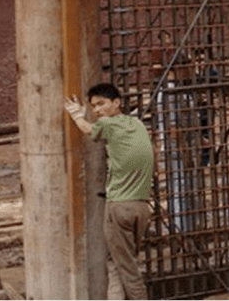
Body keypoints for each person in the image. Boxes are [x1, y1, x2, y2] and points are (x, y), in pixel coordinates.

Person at [65, 83, 154, 301]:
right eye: (93, 106)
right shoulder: (136, 124)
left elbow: (88, 129)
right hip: (142, 207)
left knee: (128, 269)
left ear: (117, 103)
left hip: (119, 207)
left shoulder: (108, 124)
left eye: (101, 104)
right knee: (117, 261)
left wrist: (76, 114)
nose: (97, 110)